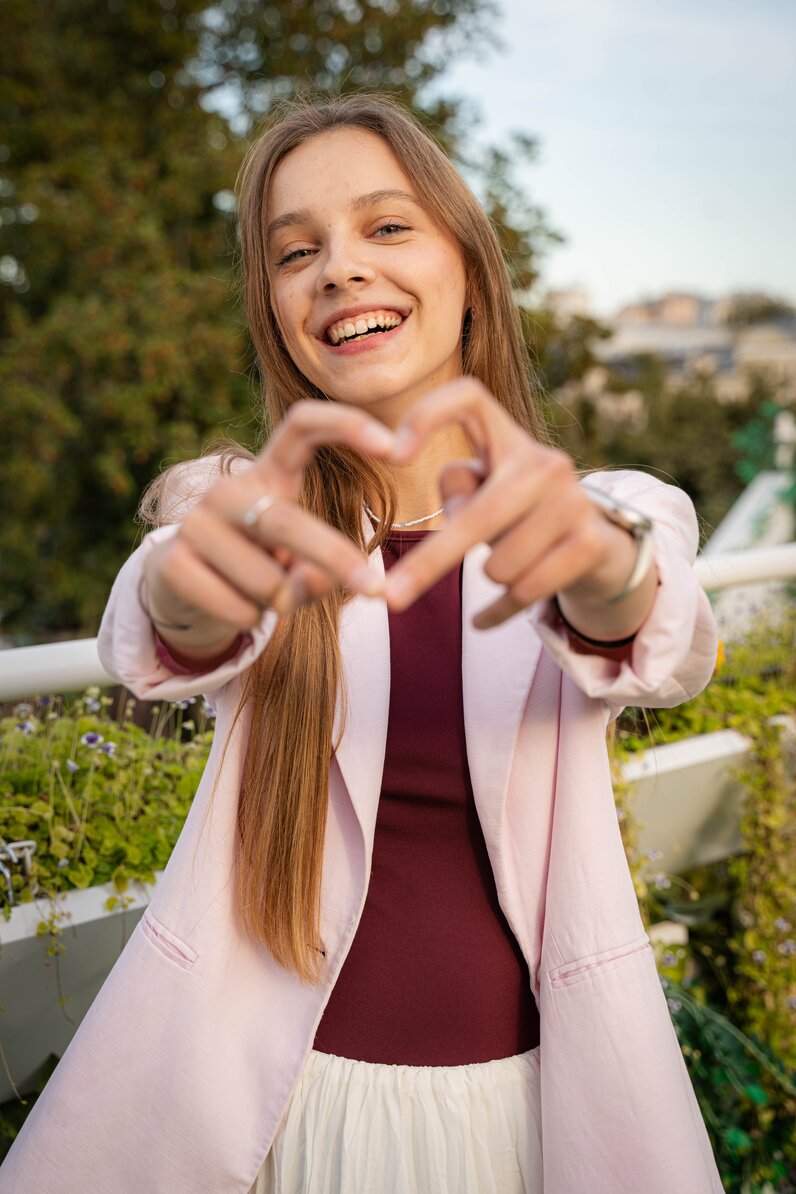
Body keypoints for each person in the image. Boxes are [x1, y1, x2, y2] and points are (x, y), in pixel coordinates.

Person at [0, 94, 725, 1194]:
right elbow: (173, 617)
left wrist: (597, 563)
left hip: (524, 1122)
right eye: (296, 252)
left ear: (468, 269)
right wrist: (187, 589)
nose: (340, 268)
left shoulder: (603, 510)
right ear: (275, 308)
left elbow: (647, 619)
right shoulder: (243, 507)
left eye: (387, 227)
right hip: (280, 1121)